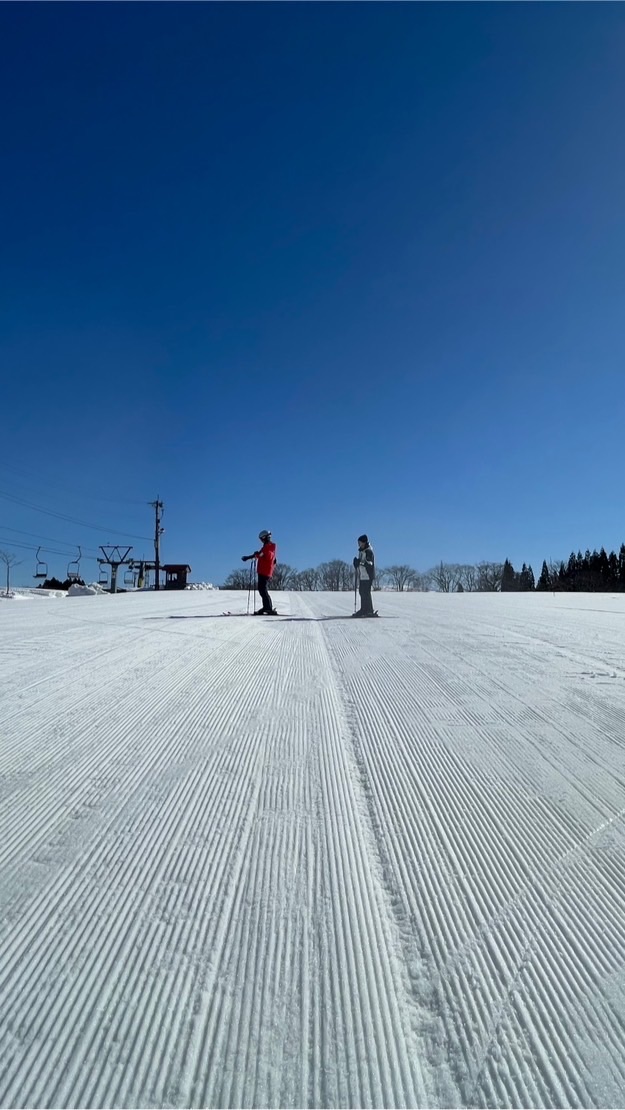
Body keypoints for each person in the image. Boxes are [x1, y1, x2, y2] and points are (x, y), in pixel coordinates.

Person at [242, 530, 278, 614]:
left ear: (265, 538)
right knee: (262, 589)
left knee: (262, 589)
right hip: (263, 570)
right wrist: (249, 557)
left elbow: (267, 555)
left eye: (261, 539)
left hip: (265, 570)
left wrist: (257, 555)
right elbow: (261, 554)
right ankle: (266, 607)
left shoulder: (269, 547)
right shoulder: (267, 546)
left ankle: (268, 607)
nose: (261, 540)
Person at [353, 534, 376, 617]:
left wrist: (360, 562)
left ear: (364, 542)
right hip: (362, 575)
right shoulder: (361, 551)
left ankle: (368, 610)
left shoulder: (368, 551)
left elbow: (369, 563)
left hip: (367, 575)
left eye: (360, 542)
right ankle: (364, 609)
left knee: (365, 592)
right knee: (362, 591)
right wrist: (356, 563)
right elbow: (361, 562)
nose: (359, 544)